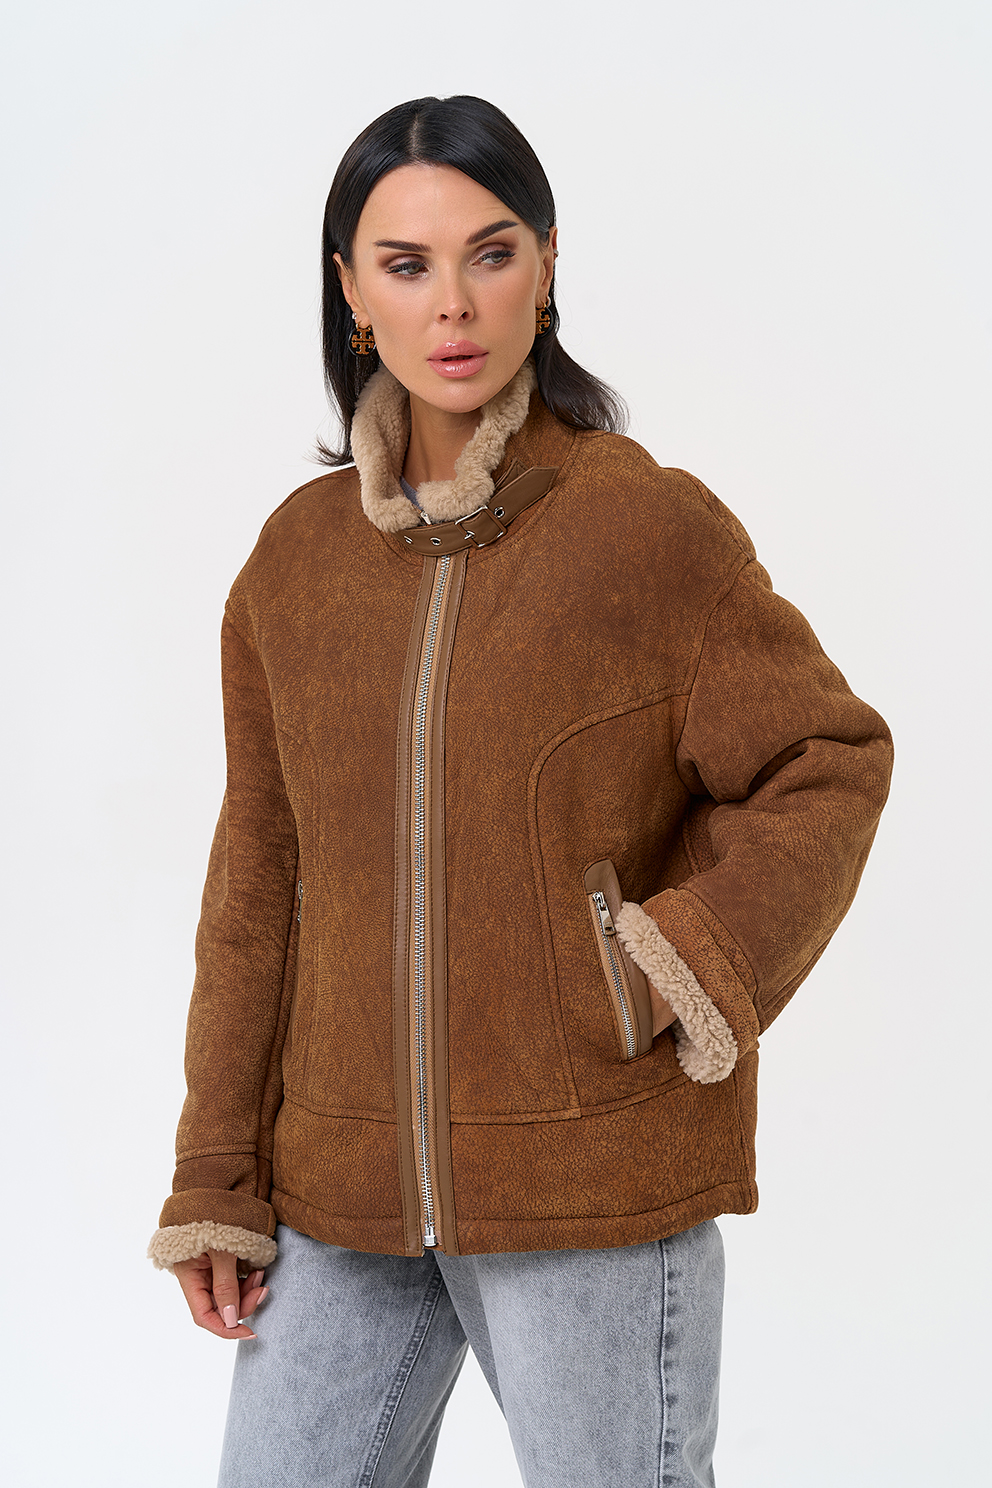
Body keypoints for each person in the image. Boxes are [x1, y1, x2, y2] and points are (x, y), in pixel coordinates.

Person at [148, 95, 893, 1487]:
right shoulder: (295, 565)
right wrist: (217, 1176)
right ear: (351, 291)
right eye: (407, 263)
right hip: (340, 1189)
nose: (454, 304)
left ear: (547, 267)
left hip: (587, 1178)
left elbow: (827, 759)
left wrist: (675, 965)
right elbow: (256, 884)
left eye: (491, 254)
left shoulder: (646, 528)